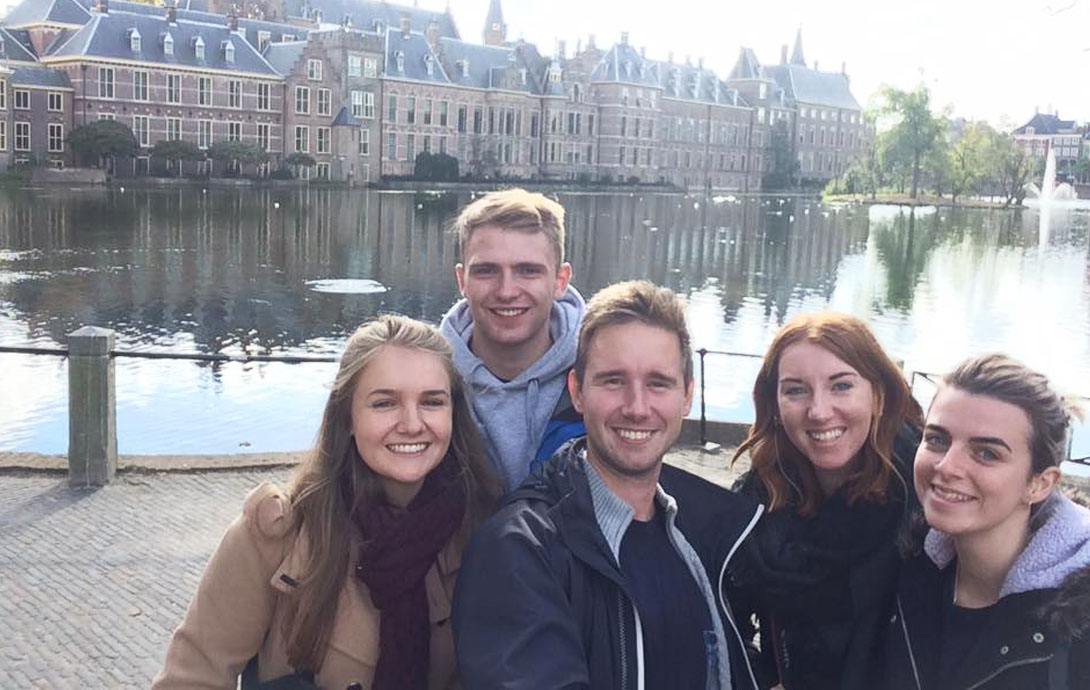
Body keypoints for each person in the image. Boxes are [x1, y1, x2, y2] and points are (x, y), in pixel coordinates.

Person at [152, 315, 501, 690]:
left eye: (432, 402)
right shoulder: (276, 536)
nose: (412, 424)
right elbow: (192, 679)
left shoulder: (485, 535)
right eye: (384, 403)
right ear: (347, 416)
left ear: (454, 414)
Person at [453, 280, 765, 690]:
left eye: (658, 383)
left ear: (687, 397)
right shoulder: (519, 549)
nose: (637, 407)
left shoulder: (708, 531)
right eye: (613, 381)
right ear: (577, 392)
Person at [882, 353, 1090, 690]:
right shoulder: (906, 569)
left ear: (1040, 484)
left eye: (987, 453)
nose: (946, 466)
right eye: (937, 439)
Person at [725, 311, 924, 690]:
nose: (818, 411)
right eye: (796, 390)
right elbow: (722, 622)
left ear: (878, 396)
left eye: (841, 386)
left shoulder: (922, 502)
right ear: (774, 405)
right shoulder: (754, 506)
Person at [441, 188, 586, 489]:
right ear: (462, 281)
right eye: (486, 271)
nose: (506, 291)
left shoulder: (598, 376)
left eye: (528, 271)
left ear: (560, 281)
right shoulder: (428, 378)